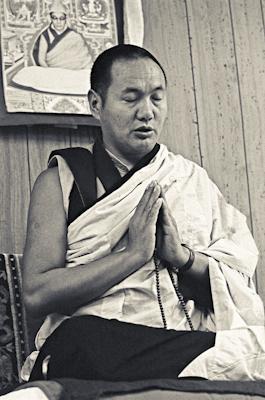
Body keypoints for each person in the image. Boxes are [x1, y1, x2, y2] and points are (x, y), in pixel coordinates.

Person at [21, 44, 265, 383]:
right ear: (96, 104)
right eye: (131, 98)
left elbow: (237, 291)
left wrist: (183, 258)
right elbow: (36, 295)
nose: (146, 112)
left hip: (179, 340)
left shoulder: (190, 179)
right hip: (99, 342)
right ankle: (195, 370)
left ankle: (186, 368)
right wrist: (134, 254)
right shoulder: (62, 180)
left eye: (156, 98)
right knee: (80, 340)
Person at [32, 0, 92, 69]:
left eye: (61, 18)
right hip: (51, 73)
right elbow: (41, 60)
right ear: (51, 19)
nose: (58, 22)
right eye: (55, 18)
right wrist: (50, 73)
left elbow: (85, 60)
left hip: (73, 73)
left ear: (66, 18)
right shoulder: (45, 35)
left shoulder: (75, 36)